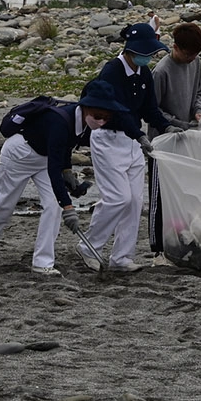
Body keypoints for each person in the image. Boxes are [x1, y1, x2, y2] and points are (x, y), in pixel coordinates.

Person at [0, 80, 122, 276]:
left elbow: (64, 149)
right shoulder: (60, 120)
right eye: (98, 116)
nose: (101, 122)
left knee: (53, 206)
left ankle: (42, 262)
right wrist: (69, 206)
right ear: (85, 107)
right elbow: (54, 166)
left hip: (44, 157)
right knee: (4, 205)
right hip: (19, 154)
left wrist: (68, 174)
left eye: (106, 118)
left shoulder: (84, 123)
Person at [76, 23, 170, 273]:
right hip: (108, 139)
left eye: (151, 54)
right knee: (117, 198)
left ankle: (121, 257)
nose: (148, 58)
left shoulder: (144, 73)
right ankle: (89, 246)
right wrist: (139, 134)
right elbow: (114, 112)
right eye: (145, 53)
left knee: (134, 203)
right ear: (130, 50)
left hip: (132, 143)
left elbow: (149, 108)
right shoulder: (112, 71)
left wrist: (166, 126)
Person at [148, 21, 201, 265]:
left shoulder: (196, 63)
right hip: (162, 143)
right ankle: (158, 251)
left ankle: (182, 242)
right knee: (160, 198)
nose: (192, 58)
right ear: (176, 48)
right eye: (188, 53)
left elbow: (200, 91)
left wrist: (199, 111)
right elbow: (153, 111)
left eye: (196, 54)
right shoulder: (161, 71)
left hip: (187, 138)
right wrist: (177, 124)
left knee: (186, 194)